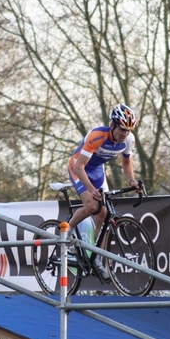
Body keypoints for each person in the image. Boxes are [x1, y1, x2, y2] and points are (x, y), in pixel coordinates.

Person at [67, 103, 140, 281]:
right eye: (122, 129)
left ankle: (95, 256)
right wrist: (91, 190)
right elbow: (79, 166)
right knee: (92, 205)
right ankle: (66, 234)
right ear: (113, 125)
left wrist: (132, 180)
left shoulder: (129, 140)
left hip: (97, 170)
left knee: (104, 213)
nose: (125, 134)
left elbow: (126, 163)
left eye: (129, 130)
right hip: (78, 168)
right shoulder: (97, 136)